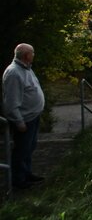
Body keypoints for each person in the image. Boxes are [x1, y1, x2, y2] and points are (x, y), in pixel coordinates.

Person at [2, 43, 45, 189]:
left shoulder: (25, 68)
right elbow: (11, 103)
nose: (34, 55)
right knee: (21, 150)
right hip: (24, 120)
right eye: (32, 53)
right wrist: (19, 122)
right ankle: (18, 181)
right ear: (27, 56)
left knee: (29, 148)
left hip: (32, 116)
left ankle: (27, 173)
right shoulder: (14, 73)